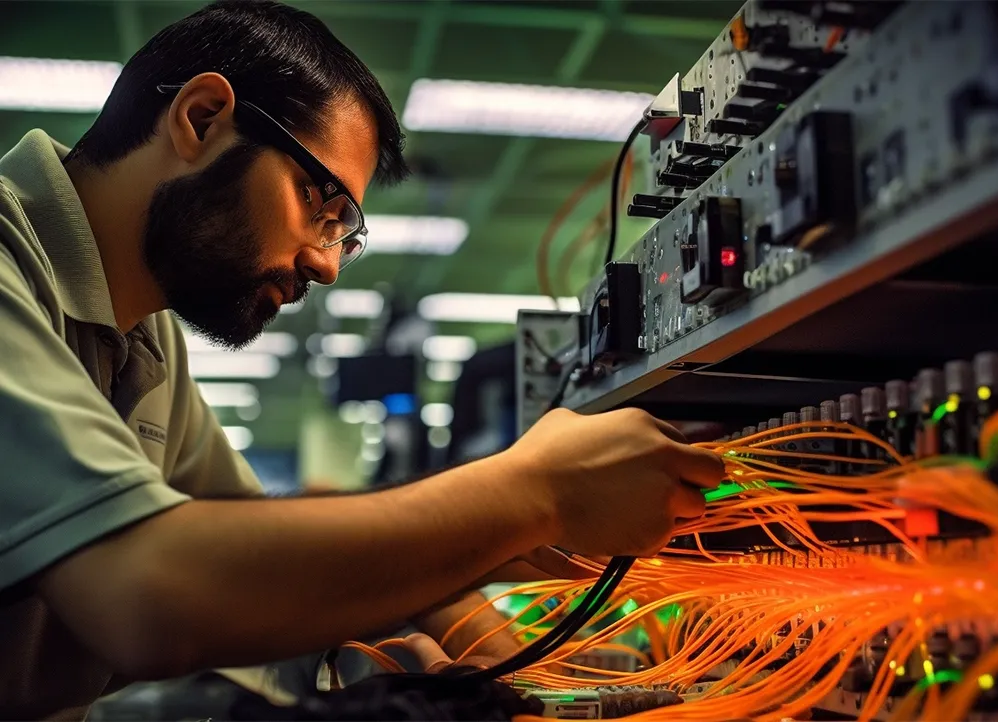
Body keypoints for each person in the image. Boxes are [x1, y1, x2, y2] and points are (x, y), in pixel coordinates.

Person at [0, 1, 723, 719]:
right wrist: (532, 493)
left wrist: (442, 595)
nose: (326, 264)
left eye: (345, 232)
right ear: (200, 118)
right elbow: (152, 591)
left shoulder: (144, 341)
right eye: (323, 205)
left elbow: (248, 548)